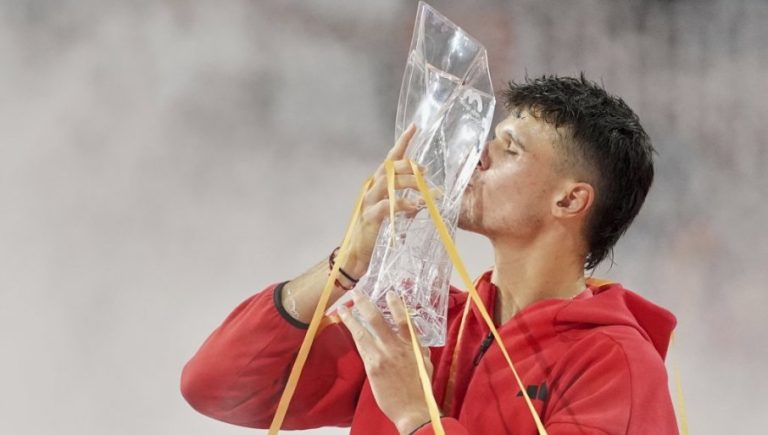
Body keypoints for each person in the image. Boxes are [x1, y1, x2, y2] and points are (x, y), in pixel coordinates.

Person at [180, 75, 679, 434]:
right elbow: (215, 385)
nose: (477, 156)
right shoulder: (421, 323)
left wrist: (418, 418)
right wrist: (346, 265)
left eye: (509, 149)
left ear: (569, 201)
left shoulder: (615, 364)